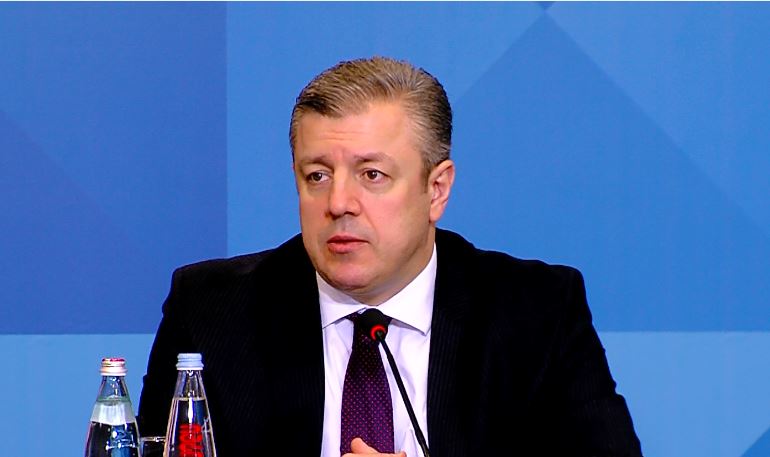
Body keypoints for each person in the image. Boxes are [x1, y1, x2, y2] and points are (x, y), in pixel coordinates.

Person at [138, 56, 642, 456]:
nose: (339, 202)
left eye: (372, 175)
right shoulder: (213, 310)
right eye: (317, 175)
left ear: (436, 189)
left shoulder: (536, 312)